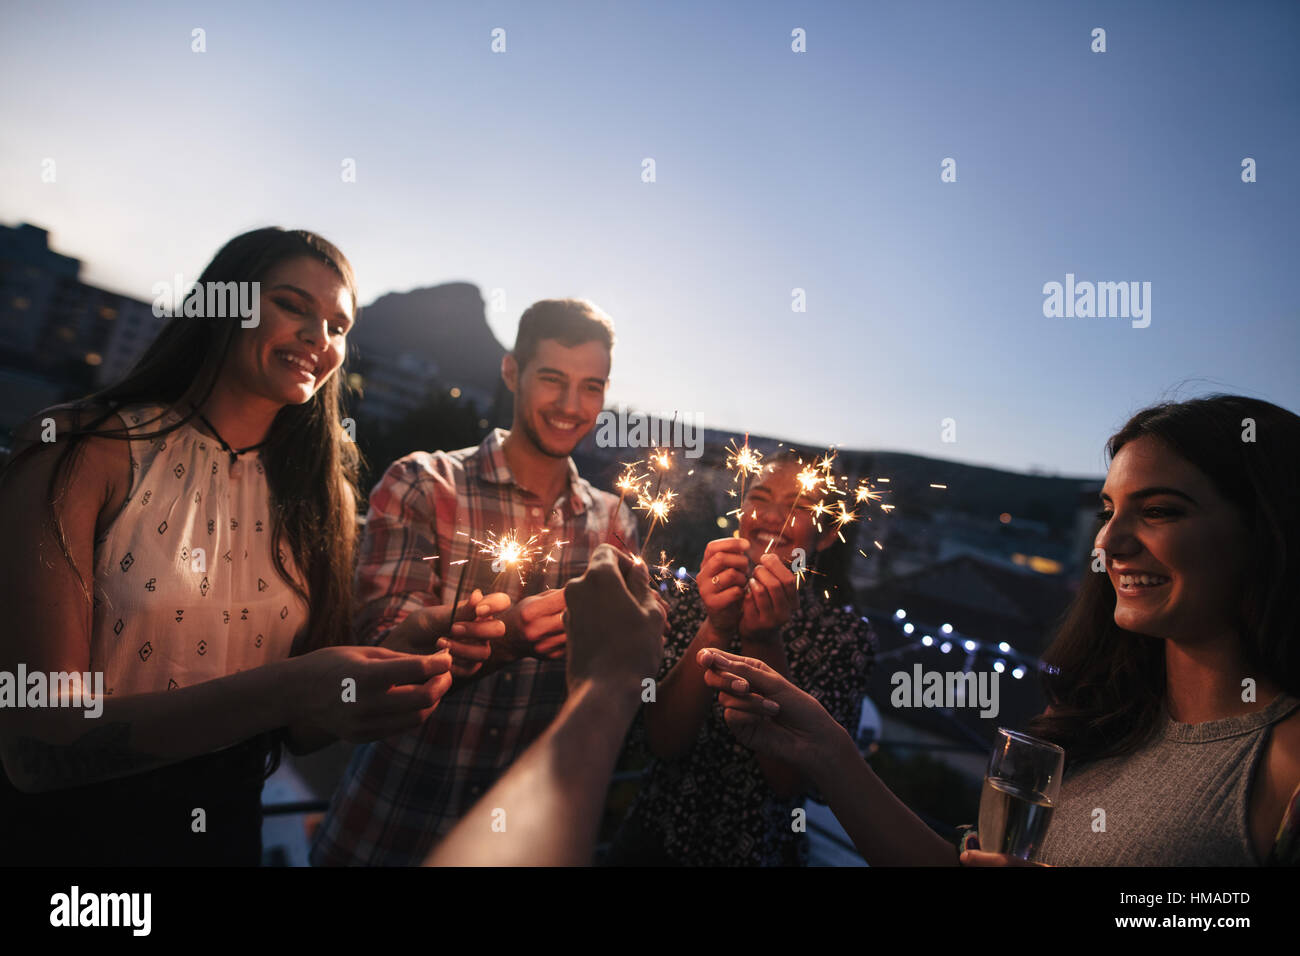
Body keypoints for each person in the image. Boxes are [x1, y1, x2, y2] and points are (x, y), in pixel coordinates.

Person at [0, 228, 485, 866]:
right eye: (292, 306)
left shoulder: (324, 496)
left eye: (338, 326)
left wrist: (402, 651)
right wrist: (288, 690)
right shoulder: (82, 450)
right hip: (72, 842)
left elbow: (305, 730)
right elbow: (38, 749)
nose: (320, 337)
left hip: (228, 837)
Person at [697, 396, 1300, 866]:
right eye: (1108, 511)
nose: (1110, 544)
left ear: (1268, 529)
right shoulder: (1102, 720)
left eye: (1161, 510)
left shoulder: (1280, 762)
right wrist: (827, 751)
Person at [310, 298, 640, 866]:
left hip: (524, 843)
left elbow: (625, 682)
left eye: (592, 386)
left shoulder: (615, 523)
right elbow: (380, 669)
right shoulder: (421, 483)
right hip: (390, 828)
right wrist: (504, 639)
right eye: (552, 379)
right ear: (512, 371)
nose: (570, 405)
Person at [606, 449, 875, 865]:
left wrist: (762, 638)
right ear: (739, 507)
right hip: (653, 841)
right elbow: (661, 741)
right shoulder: (692, 596)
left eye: (798, 506)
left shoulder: (845, 635)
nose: (771, 517)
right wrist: (715, 626)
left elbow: (791, 782)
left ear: (825, 534)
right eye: (759, 497)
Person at [428, 544, 665, 866]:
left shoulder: (614, 517)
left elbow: (660, 731)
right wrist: (610, 679)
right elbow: (376, 664)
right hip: (402, 809)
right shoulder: (420, 493)